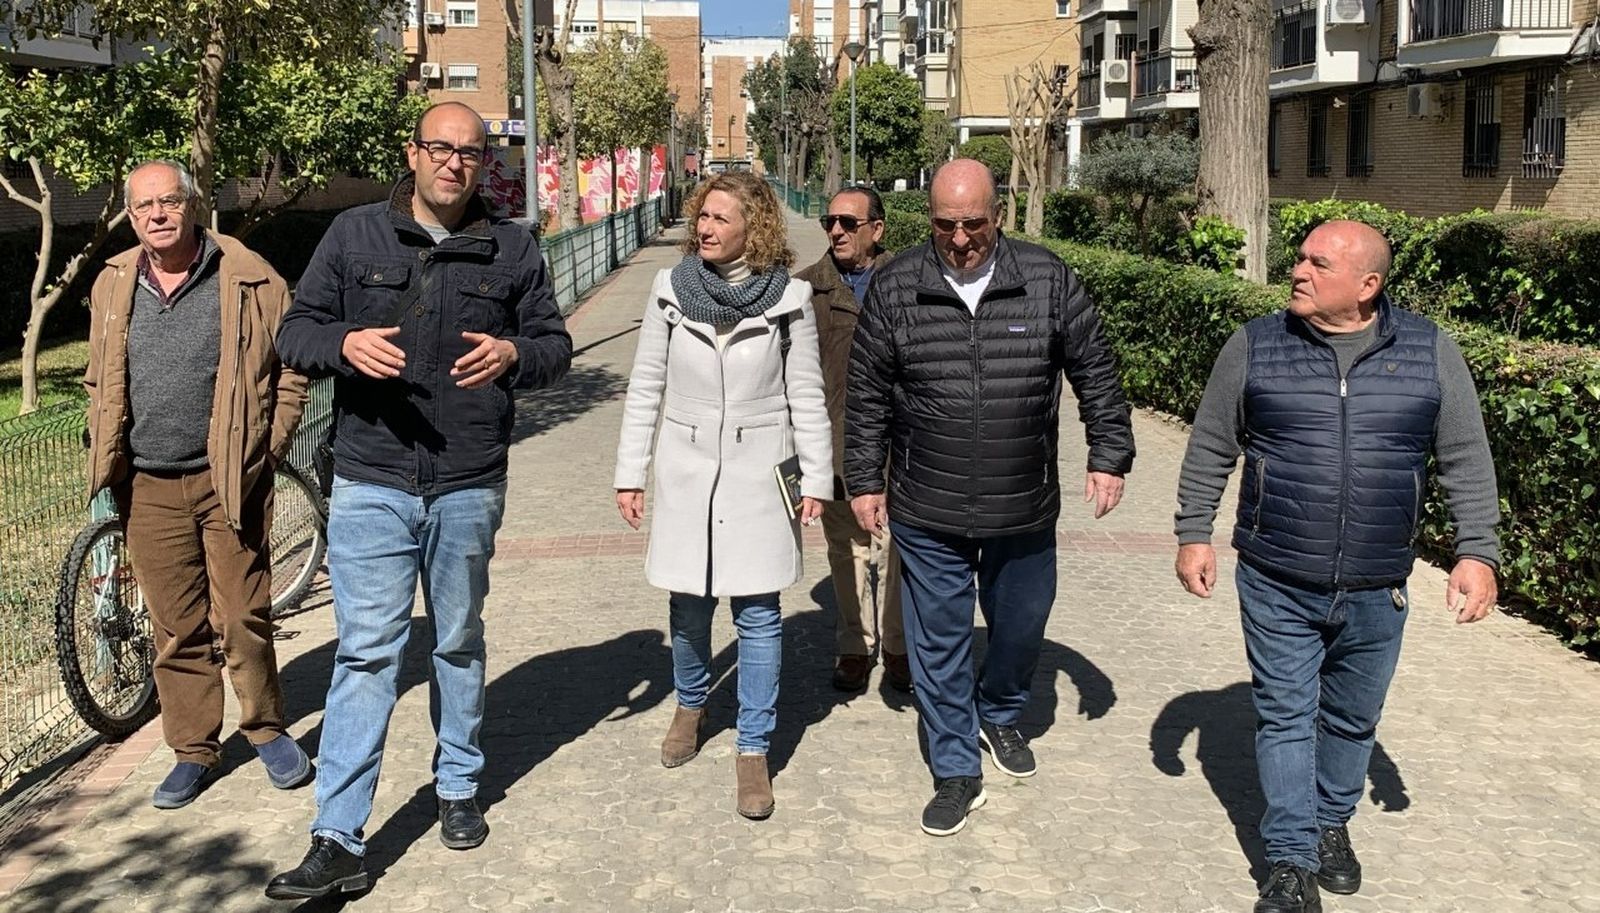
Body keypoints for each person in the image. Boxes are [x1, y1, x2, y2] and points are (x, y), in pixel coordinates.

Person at [265, 101, 572, 899]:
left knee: (459, 638)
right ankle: (338, 836)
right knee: (368, 650)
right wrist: (340, 344)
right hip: (372, 478)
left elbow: (554, 348)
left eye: (470, 152)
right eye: (440, 147)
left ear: (483, 164)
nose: (454, 163)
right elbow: (293, 331)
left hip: (469, 479)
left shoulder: (512, 246)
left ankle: (459, 784)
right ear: (414, 152)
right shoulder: (355, 235)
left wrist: (513, 352)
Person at [1173, 220, 1500, 913]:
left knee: (1352, 719)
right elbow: (1210, 445)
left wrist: (1477, 552)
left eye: (1317, 263)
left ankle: (1330, 822)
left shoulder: (1428, 351)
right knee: (1287, 714)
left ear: (1367, 285)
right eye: (1299, 257)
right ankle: (1290, 862)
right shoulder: (1256, 345)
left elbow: (1466, 458)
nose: (1298, 269)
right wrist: (1193, 532)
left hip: (1380, 582)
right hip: (1275, 572)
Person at [845, 159, 1136, 836]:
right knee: (937, 644)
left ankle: (1001, 711)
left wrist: (1109, 455)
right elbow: (864, 395)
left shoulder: (1046, 278)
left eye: (973, 223)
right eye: (945, 224)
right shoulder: (895, 286)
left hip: (1022, 503)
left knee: (1021, 627)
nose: (960, 238)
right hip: (927, 503)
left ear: (997, 215)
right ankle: (955, 769)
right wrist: (863, 479)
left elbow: (1096, 370)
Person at [82, 159, 310, 810]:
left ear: (193, 203)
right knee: (176, 626)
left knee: (241, 614)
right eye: (143, 205)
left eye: (169, 201)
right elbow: (100, 374)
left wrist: (272, 444)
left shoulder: (250, 276)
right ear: (130, 216)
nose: (157, 214)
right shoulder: (113, 283)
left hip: (228, 477)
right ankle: (192, 749)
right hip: (148, 483)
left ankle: (265, 727)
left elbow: (291, 363)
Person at [613, 172, 831, 821]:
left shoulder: (789, 300)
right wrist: (631, 471)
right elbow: (645, 384)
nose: (704, 227)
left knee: (759, 615)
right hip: (686, 468)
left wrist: (815, 478)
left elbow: (808, 396)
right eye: (701, 215)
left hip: (761, 471)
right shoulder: (669, 290)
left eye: (718, 218)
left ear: (753, 226)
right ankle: (690, 701)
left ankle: (753, 748)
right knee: (688, 604)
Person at [793, 185, 909, 694]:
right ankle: (854, 645)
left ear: (876, 230)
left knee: (902, 548)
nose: (836, 231)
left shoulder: (910, 281)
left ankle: (901, 647)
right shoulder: (805, 290)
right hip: (836, 444)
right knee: (847, 548)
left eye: (847, 222)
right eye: (829, 222)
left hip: (905, 443)